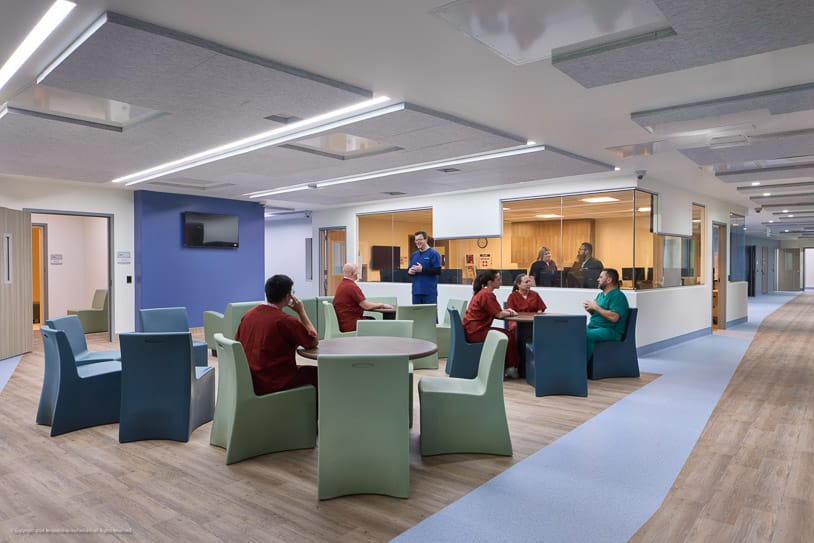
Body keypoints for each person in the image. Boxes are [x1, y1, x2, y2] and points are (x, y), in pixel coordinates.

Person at [235, 274, 318, 396]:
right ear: (287, 296)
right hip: (273, 381)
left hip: (251, 377)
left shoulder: (248, 315)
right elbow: (313, 341)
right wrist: (301, 311)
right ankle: (316, 414)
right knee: (316, 373)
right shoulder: (285, 321)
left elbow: (237, 341)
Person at [462, 269, 521, 378]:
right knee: (508, 335)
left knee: (506, 334)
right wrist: (511, 313)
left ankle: (510, 366)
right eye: (498, 279)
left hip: (472, 329)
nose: (501, 281)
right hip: (476, 332)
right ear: (490, 282)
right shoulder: (487, 294)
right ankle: (511, 368)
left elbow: (496, 312)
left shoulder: (482, 293)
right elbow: (498, 314)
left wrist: (507, 311)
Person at [583, 268, 629, 362]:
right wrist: (591, 309)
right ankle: (569, 366)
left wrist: (596, 307)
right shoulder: (600, 295)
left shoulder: (618, 296)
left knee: (586, 335)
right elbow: (599, 313)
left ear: (609, 280)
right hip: (594, 327)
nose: (598, 279)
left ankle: (581, 368)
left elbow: (614, 317)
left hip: (611, 331)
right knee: (572, 332)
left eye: (600, 277)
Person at [333, 262, 395, 332]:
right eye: (357, 271)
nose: (358, 273)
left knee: (371, 319)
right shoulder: (351, 287)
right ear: (352, 273)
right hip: (351, 324)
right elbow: (366, 306)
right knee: (376, 324)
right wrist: (382, 305)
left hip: (343, 322)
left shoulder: (342, 284)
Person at [506, 273, 547, 374]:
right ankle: (518, 365)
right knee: (515, 331)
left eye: (529, 281)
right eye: (526, 282)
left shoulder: (535, 294)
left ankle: (538, 366)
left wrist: (538, 314)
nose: (529, 284)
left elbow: (541, 309)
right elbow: (510, 311)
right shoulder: (512, 296)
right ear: (519, 284)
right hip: (517, 322)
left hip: (532, 322)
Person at [407, 230, 442, 304]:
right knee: (417, 315)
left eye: (420, 240)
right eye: (416, 240)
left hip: (429, 292)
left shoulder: (434, 254)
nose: (417, 242)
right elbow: (409, 270)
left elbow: (438, 271)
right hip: (416, 292)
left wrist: (422, 269)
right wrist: (410, 272)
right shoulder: (414, 255)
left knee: (429, 315)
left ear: (426, 240)